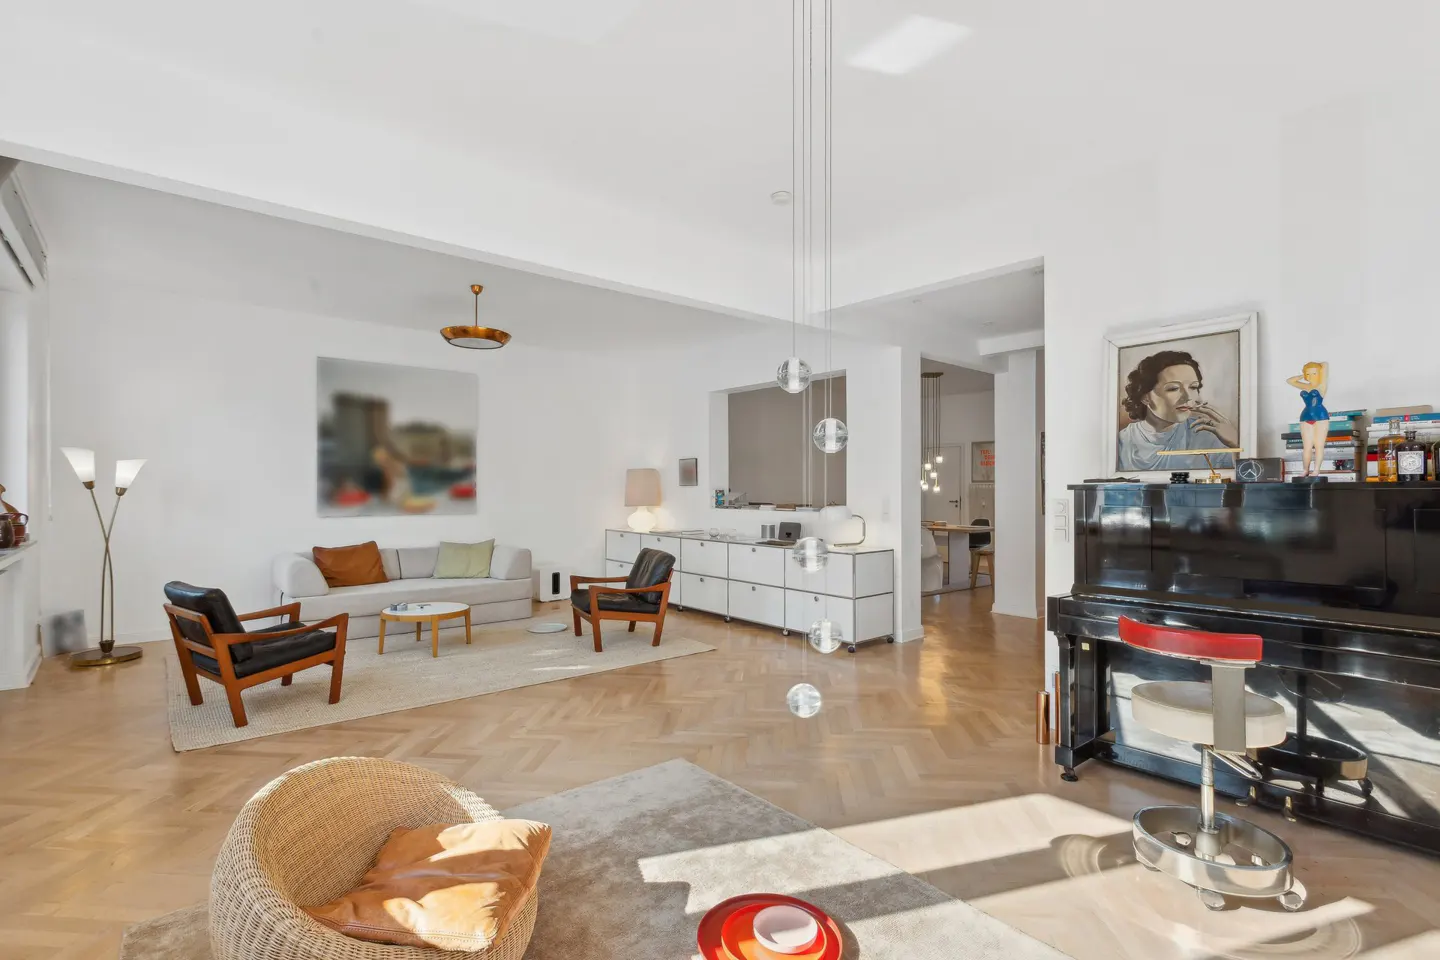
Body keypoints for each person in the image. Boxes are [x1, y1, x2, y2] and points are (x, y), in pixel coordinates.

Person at [1116, 350, 1239, 471]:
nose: (1188, 397)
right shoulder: (1122, 441)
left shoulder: (1209, 436)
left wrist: (1236, 444)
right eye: (1173, 388)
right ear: (1145, 397)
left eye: (1193, 387)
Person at [1285, 361, 1329, 477]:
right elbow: (1290, 381)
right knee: (1307, 446)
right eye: (1308, 374)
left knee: (1319, 445)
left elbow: (1325, 365)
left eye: (1314, 373)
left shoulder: (1321, 386)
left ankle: (1316, 470)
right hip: (1305, 417)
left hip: (1321, 418)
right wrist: (1302, 376)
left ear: (1319, 374)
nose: (1310, 377)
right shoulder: (1305, 386)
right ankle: (1305, 470)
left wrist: (1320, 366)